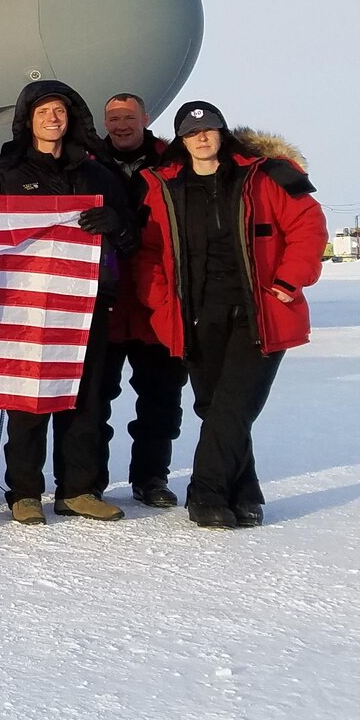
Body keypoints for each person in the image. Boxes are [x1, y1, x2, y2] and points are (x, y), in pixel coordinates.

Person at [132, 103, 325, 528]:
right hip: (196, 314)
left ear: (222, 133)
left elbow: (307, 226)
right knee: (213, 405)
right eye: (192, 132)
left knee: (233, 405)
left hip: (260, 311)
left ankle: (205, 493)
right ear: (181, 141)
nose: (202, 137)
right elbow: (148, 255)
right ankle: (245, 491)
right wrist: (163, 303)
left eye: (210, 129)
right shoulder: (163, 186)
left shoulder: (266, 175)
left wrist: (290, 280)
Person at [0, 80, 134, 524]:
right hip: (26, 305)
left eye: (59, 111)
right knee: (29, 395)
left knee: (86, 399)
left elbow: (131, 238)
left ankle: (79, 489)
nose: (52, 118)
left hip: (86, 302)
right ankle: (25, 492)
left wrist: (116, 224)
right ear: (29, 120)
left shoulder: (98, 174)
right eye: (43, 111)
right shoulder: (3, 175)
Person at [100, 92, 190, 508]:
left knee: (160, 400)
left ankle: (151, 477)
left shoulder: (174, 161)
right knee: (94, 400)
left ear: (145, 118)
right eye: (113, 118)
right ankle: (88, 479)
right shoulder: (88, 162)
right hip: (107, 300)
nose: (121, 125)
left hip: (159, 301)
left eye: (128, 117)